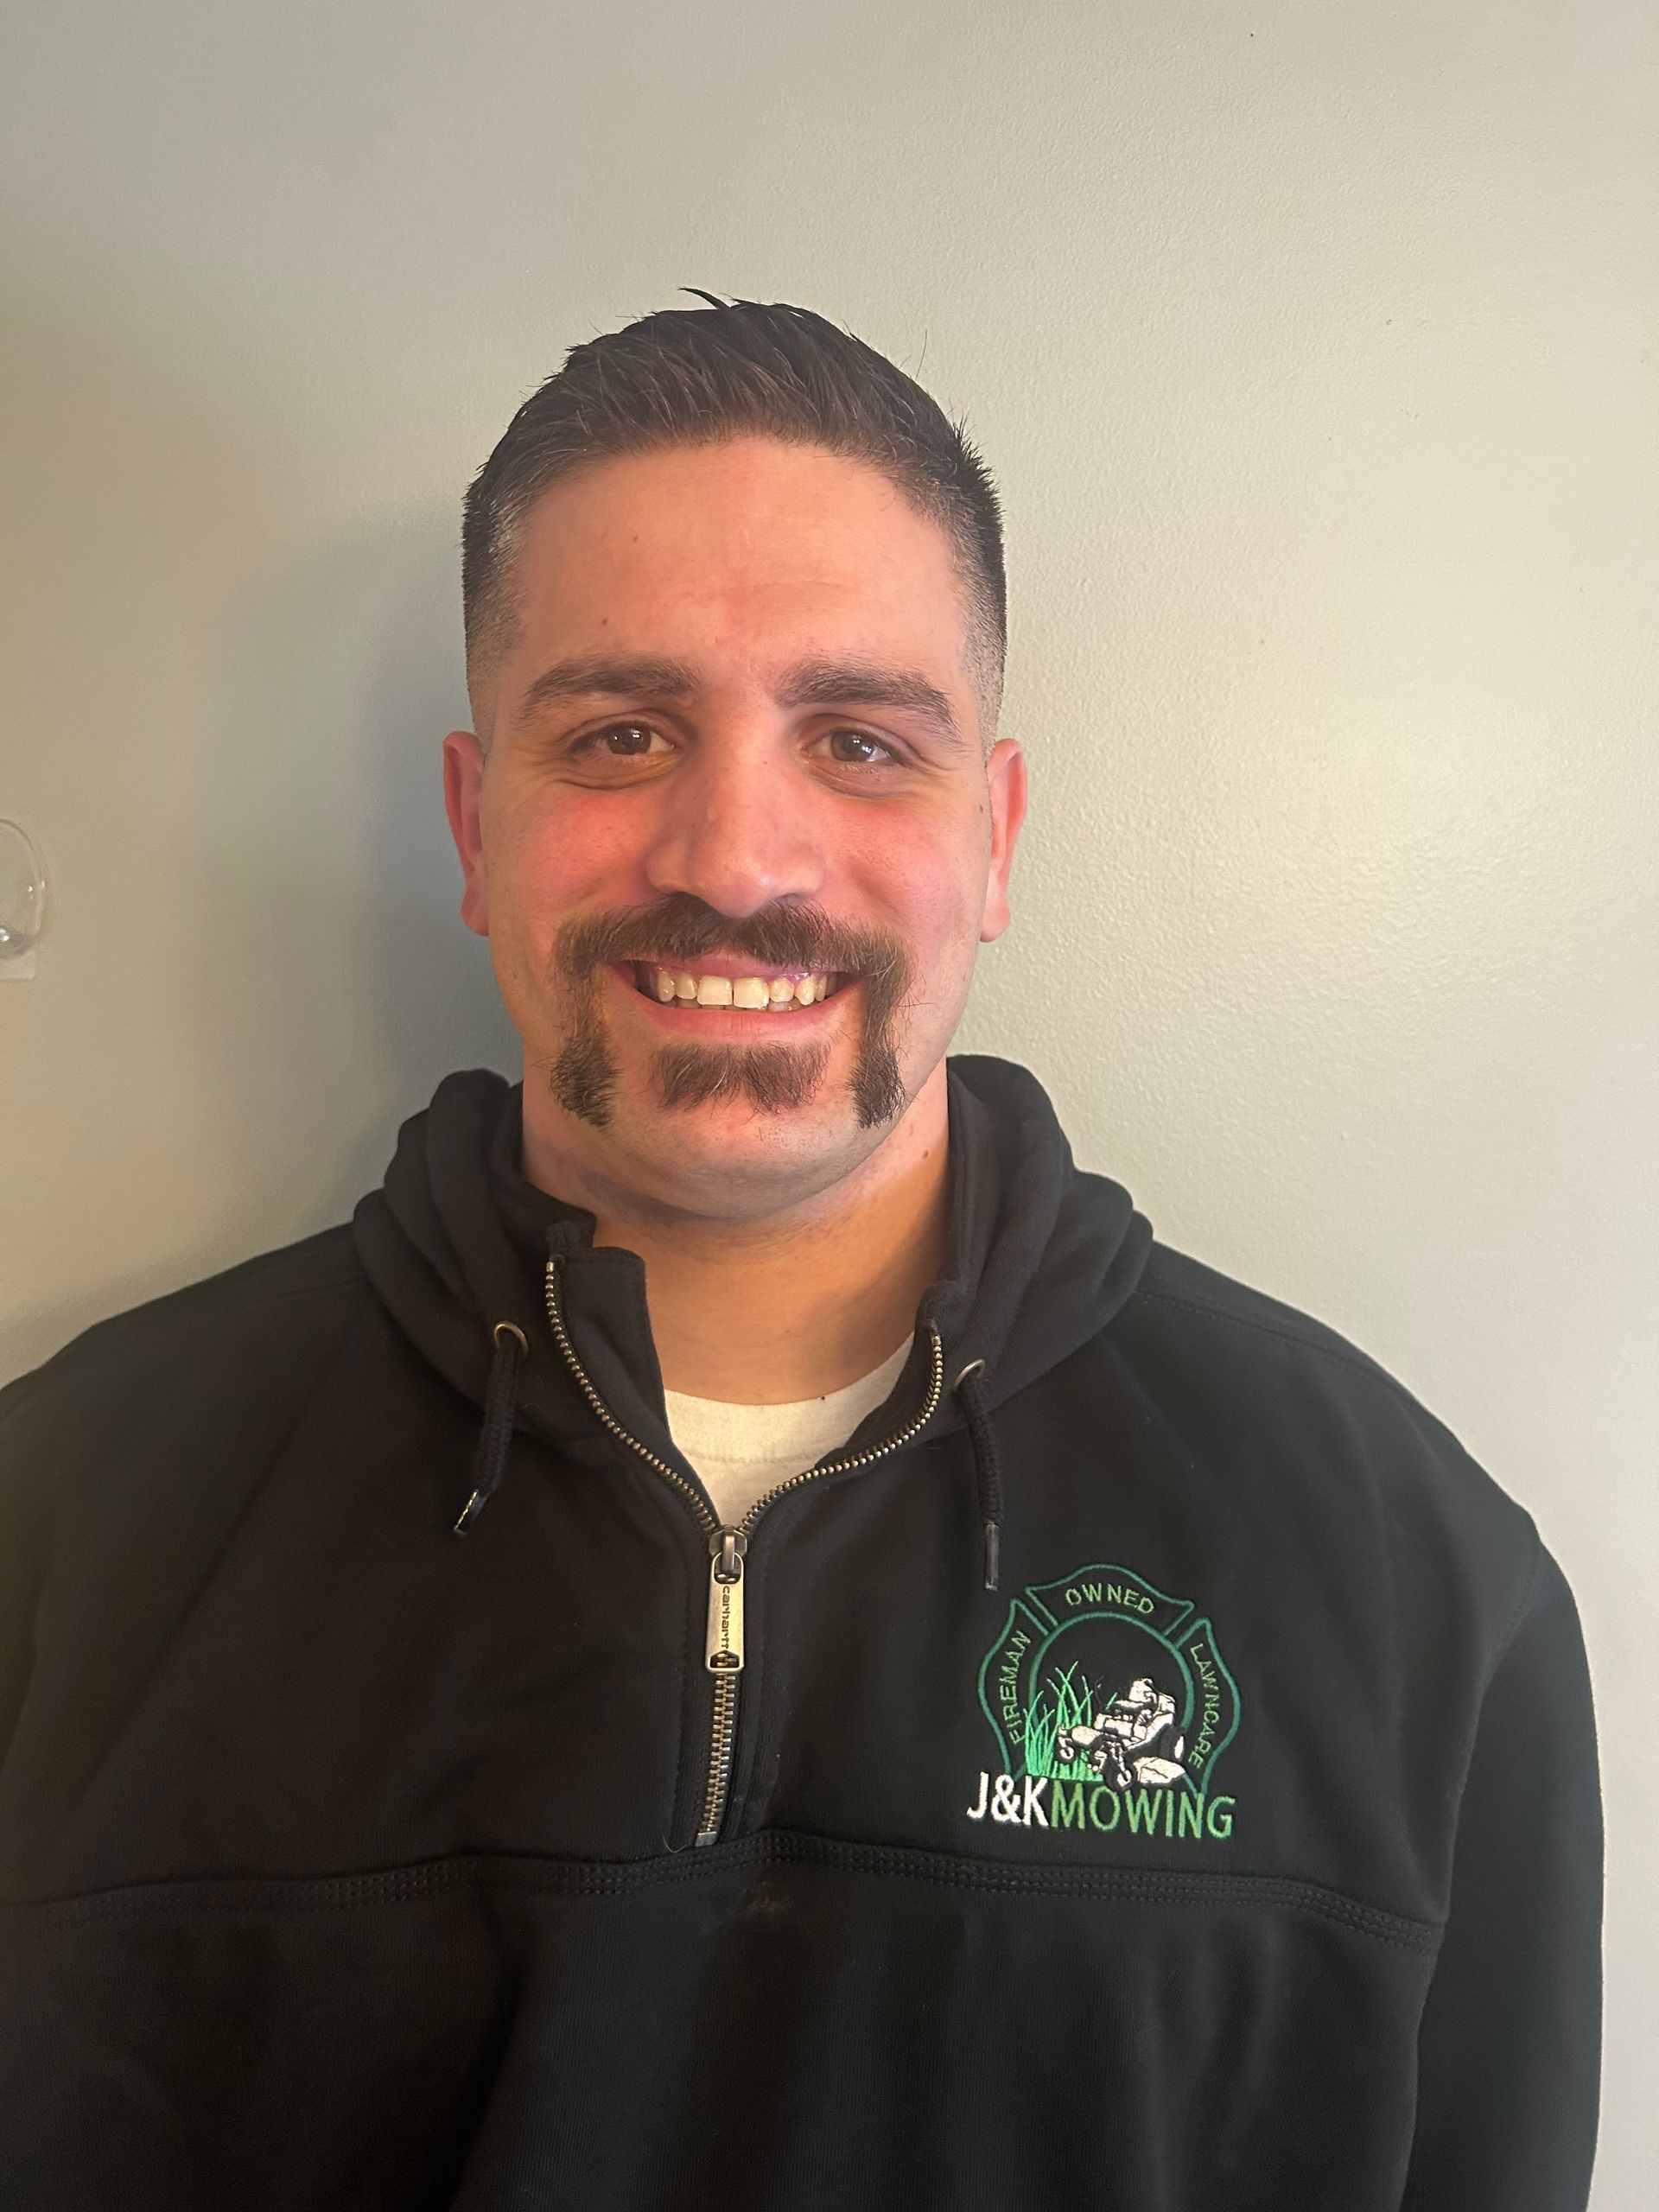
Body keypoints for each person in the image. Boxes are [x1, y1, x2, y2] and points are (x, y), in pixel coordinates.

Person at [0, 295, 1601, 2209]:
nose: (739, 854)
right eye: (618, 730)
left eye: (858, 740)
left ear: (991, 837)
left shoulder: (1417, 1588)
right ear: (474, 820)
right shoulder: (67, 1530)